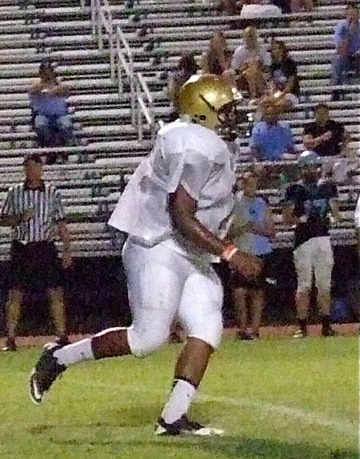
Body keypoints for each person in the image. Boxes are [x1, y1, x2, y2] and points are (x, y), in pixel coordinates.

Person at [28, 74, 260, 436]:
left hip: (192, 252)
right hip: (159, 245)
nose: (234, 115)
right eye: (226, 108)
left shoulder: (201, 140)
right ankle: (57, 357)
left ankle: (172, 419)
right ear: (203, 111)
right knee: (147, 338)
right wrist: (231, 253)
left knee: (208, 327)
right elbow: (180, 215)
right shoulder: (195, 145)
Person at [0, 154, 72, 352]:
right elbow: (3, 219)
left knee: (55, 292)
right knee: (15, 293)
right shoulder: (15, 192)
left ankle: (62, 335)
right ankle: (10, 337)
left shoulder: (52, 192)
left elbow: (61, 222)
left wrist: (67, 249)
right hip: (22, 247)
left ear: (41, 169)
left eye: (35, 167)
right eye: (28, 167)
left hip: (45, 246)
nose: (31, 171)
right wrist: (20, 217)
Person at [283, 150, 340, 338]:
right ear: (301, 168)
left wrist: (331, 217)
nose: (312, 170)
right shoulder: (295, 189)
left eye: (314, 166)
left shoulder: (327, 187)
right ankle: (302, 325)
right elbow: (287, 218)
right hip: (303, 241)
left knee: (324, 285)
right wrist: (301, 219)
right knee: (304, 285)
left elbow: (335, 213)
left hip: (323, 237)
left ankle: (326, 324)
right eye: (308, 166)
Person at [227, 169, 276, 340]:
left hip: (260, 252)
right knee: (239, 292)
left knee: (257, 291)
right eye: (249, 183)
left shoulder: (262, 204)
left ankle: (254, 330)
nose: (252, 187)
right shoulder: (234, 204)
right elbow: (226, 232)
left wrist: (257, 228)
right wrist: (243, 228)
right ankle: (242, 328)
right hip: (241, 252)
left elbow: (271, 230)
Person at [27, 61, 75, 156]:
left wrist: (55, 89)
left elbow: (65, 90)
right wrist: (44, 88)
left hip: (60, 115)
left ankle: (65, 148)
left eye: (49, 72)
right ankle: (49, 145)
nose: (47, 75)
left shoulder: (59, 86)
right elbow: (32, 90)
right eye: (44, 72)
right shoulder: (37, 86)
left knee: (66, 125)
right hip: (43, 115)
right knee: (41, 125)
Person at [302, 102, 350, 185]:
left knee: (340, 166)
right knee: (319, 172)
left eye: (324, 113)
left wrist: (344, 145)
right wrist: (321, 138)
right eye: (319, 113)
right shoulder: (310, 128)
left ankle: (339, 188)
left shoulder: (335, 125)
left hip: (335, 156)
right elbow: (307, 142)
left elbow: (346, 136)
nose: (322, 115)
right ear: (315, 114)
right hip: (318, 157)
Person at [329, 2, 360, 100]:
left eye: (354, 15)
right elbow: (341, 49)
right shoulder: (341, 27)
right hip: (346, 56)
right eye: (350, 15)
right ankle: (336, 88)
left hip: (358, 56)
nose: (352, 18)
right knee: (338, 59)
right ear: (346, 15)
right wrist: (349, 34)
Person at [230, 26, 270, 99]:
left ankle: (254, 96)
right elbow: (235, 69)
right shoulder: (239, 51)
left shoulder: (262, 51)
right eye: (248, 36)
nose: (250, 39)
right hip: (243, 77)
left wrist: (258, 65)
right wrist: (246, 66)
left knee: (254, 68)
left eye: (252, 36)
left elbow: (267, 67)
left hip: (259, 77)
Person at [262, 39, 300, 116]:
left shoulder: (290, 64)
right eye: (274, 49)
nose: (277, 51)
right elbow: (272, 84)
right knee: (263, 103)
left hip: (290, 94)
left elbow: (289, 87)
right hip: (277, 93)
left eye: (279, 48)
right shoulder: (272, 66)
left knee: (279, 104)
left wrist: (278, 98)